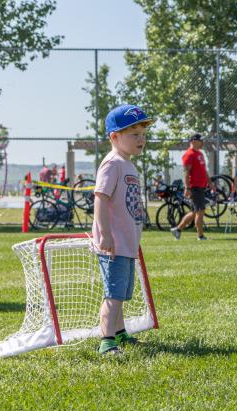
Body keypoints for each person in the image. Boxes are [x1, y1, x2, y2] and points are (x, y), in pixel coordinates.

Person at [92, 104, 154, 355]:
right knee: (114, 294)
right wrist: (105, 234)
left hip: (127, 244)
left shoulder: (128, 164)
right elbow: (100, 198)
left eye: (143, 134)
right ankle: (106, 342)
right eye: (134, 134)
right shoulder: (112, 164)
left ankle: (120, 333)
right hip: (113, 245)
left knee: (122, 294)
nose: (141, 139)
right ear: (115, 137)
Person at [171, 133, 212, 241]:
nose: (202, 143)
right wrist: (187, 188)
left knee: (194, 211)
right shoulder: (189, 154)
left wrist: (210, 183)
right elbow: (186, 172)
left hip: (201, 187)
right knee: (200, 210)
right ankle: (200, 236)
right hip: (195, 187)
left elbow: (204, 171)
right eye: (200, 141)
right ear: (193, 141)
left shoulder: (200, 154)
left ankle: (177, 230)